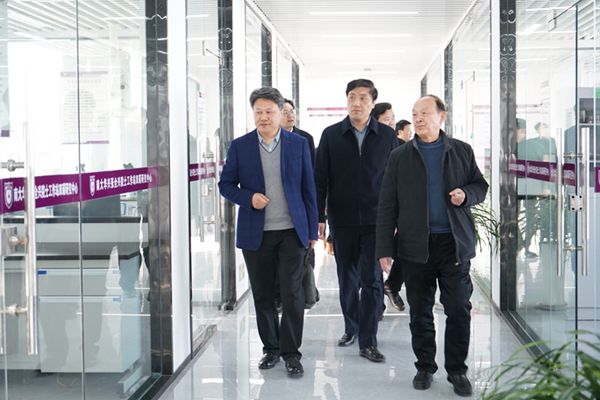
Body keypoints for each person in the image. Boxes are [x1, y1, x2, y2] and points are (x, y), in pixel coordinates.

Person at [376, 94, 488, 396]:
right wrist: (384, 248)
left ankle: (457, 370)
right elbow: (387, 204)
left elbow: (480, 186)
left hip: (453, 244)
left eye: (425, 112)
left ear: (442, 116)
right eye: (415, 113)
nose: (418, 118)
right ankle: (425, 366)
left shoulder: (461, 151)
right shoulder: (400, 156)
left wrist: (466, 195)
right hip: (415, 246)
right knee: (420, 311)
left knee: (458, 309)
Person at [218, 87, 318, 376]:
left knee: (292, 294)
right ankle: (271, 349)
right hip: (256, 233)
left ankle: (291, 353)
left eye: (269, 111)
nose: (263, 117)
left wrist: (312, 230)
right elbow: (226, 185)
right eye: (258, 112)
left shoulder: (298, 144)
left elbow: (308, 188)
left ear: (281, 112)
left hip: (292, 231)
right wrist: (248, 198)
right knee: (263, 294)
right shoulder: (240, 146)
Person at [314, 78, 399, 362]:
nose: (357, 102)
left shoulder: (387, 136)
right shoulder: (331, 135)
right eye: (352, 97)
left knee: (372, 279)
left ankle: (368, 340)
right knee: (347, 278)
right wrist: (320, 216)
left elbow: (396, 180)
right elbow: (320, 178)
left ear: (373, 103)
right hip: (342, 219)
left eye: (363, 98)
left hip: (377, 220)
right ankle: (351, 327)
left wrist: (395, 218)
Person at [371, 103, 406, 318]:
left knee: (402, 253)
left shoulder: (403, 147)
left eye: (393, 118)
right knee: (375, 259)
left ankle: (392, 285)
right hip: (374, 210)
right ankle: (377, 304)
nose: (392, 123)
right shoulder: (368, 145)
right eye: (386, 119)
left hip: (398, 209)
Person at [282, 99, 316, 166]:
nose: (290, 116)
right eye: (285, 112)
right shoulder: (270, 138)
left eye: (292, 111)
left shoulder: (306, 138)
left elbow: (312, 166)